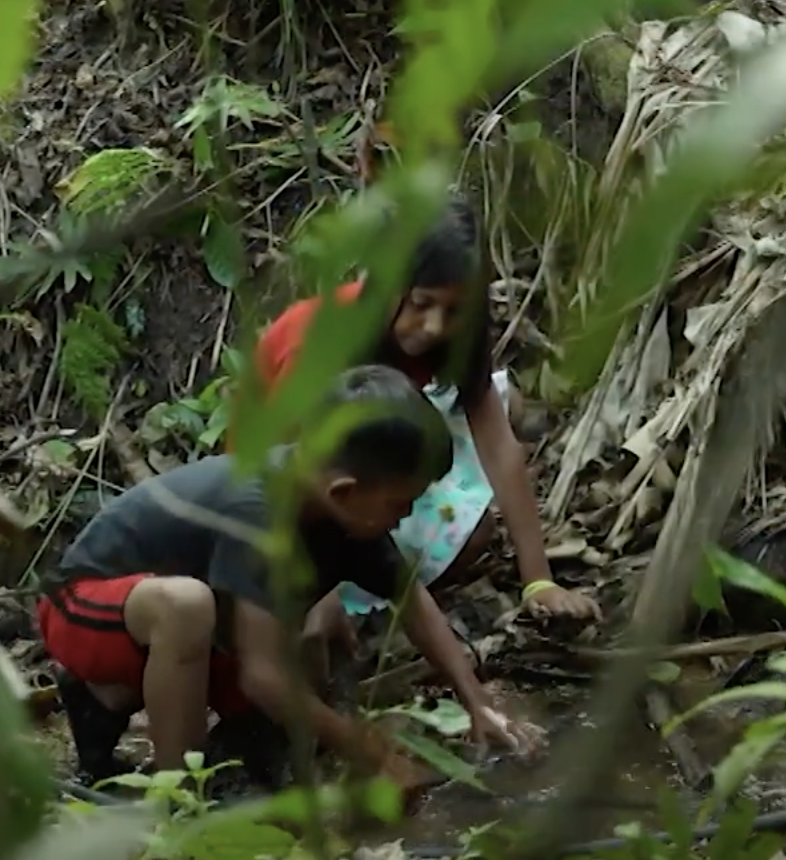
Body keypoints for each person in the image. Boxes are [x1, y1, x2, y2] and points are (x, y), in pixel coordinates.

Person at [36, 365, 543, 790]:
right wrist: (367, 749)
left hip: (179, 632)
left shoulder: (340, 514)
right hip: (80, 606)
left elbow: (410, 597)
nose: (405, 516)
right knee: (191, 610)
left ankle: (124, 713)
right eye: (400, 503)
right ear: (344, 491)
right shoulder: (259, 508)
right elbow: (262, 675)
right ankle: (179, 801)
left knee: (286, 707)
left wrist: (479, 703)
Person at [250, 197, 601, 657]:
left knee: (475, 531)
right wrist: (321, 591)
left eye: (453, 311)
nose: (434, 326)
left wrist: (538, 581)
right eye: (421, 303)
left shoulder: (454, 329)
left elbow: (498, 445)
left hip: (373, 446)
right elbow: (280, 473)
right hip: (275, 492)